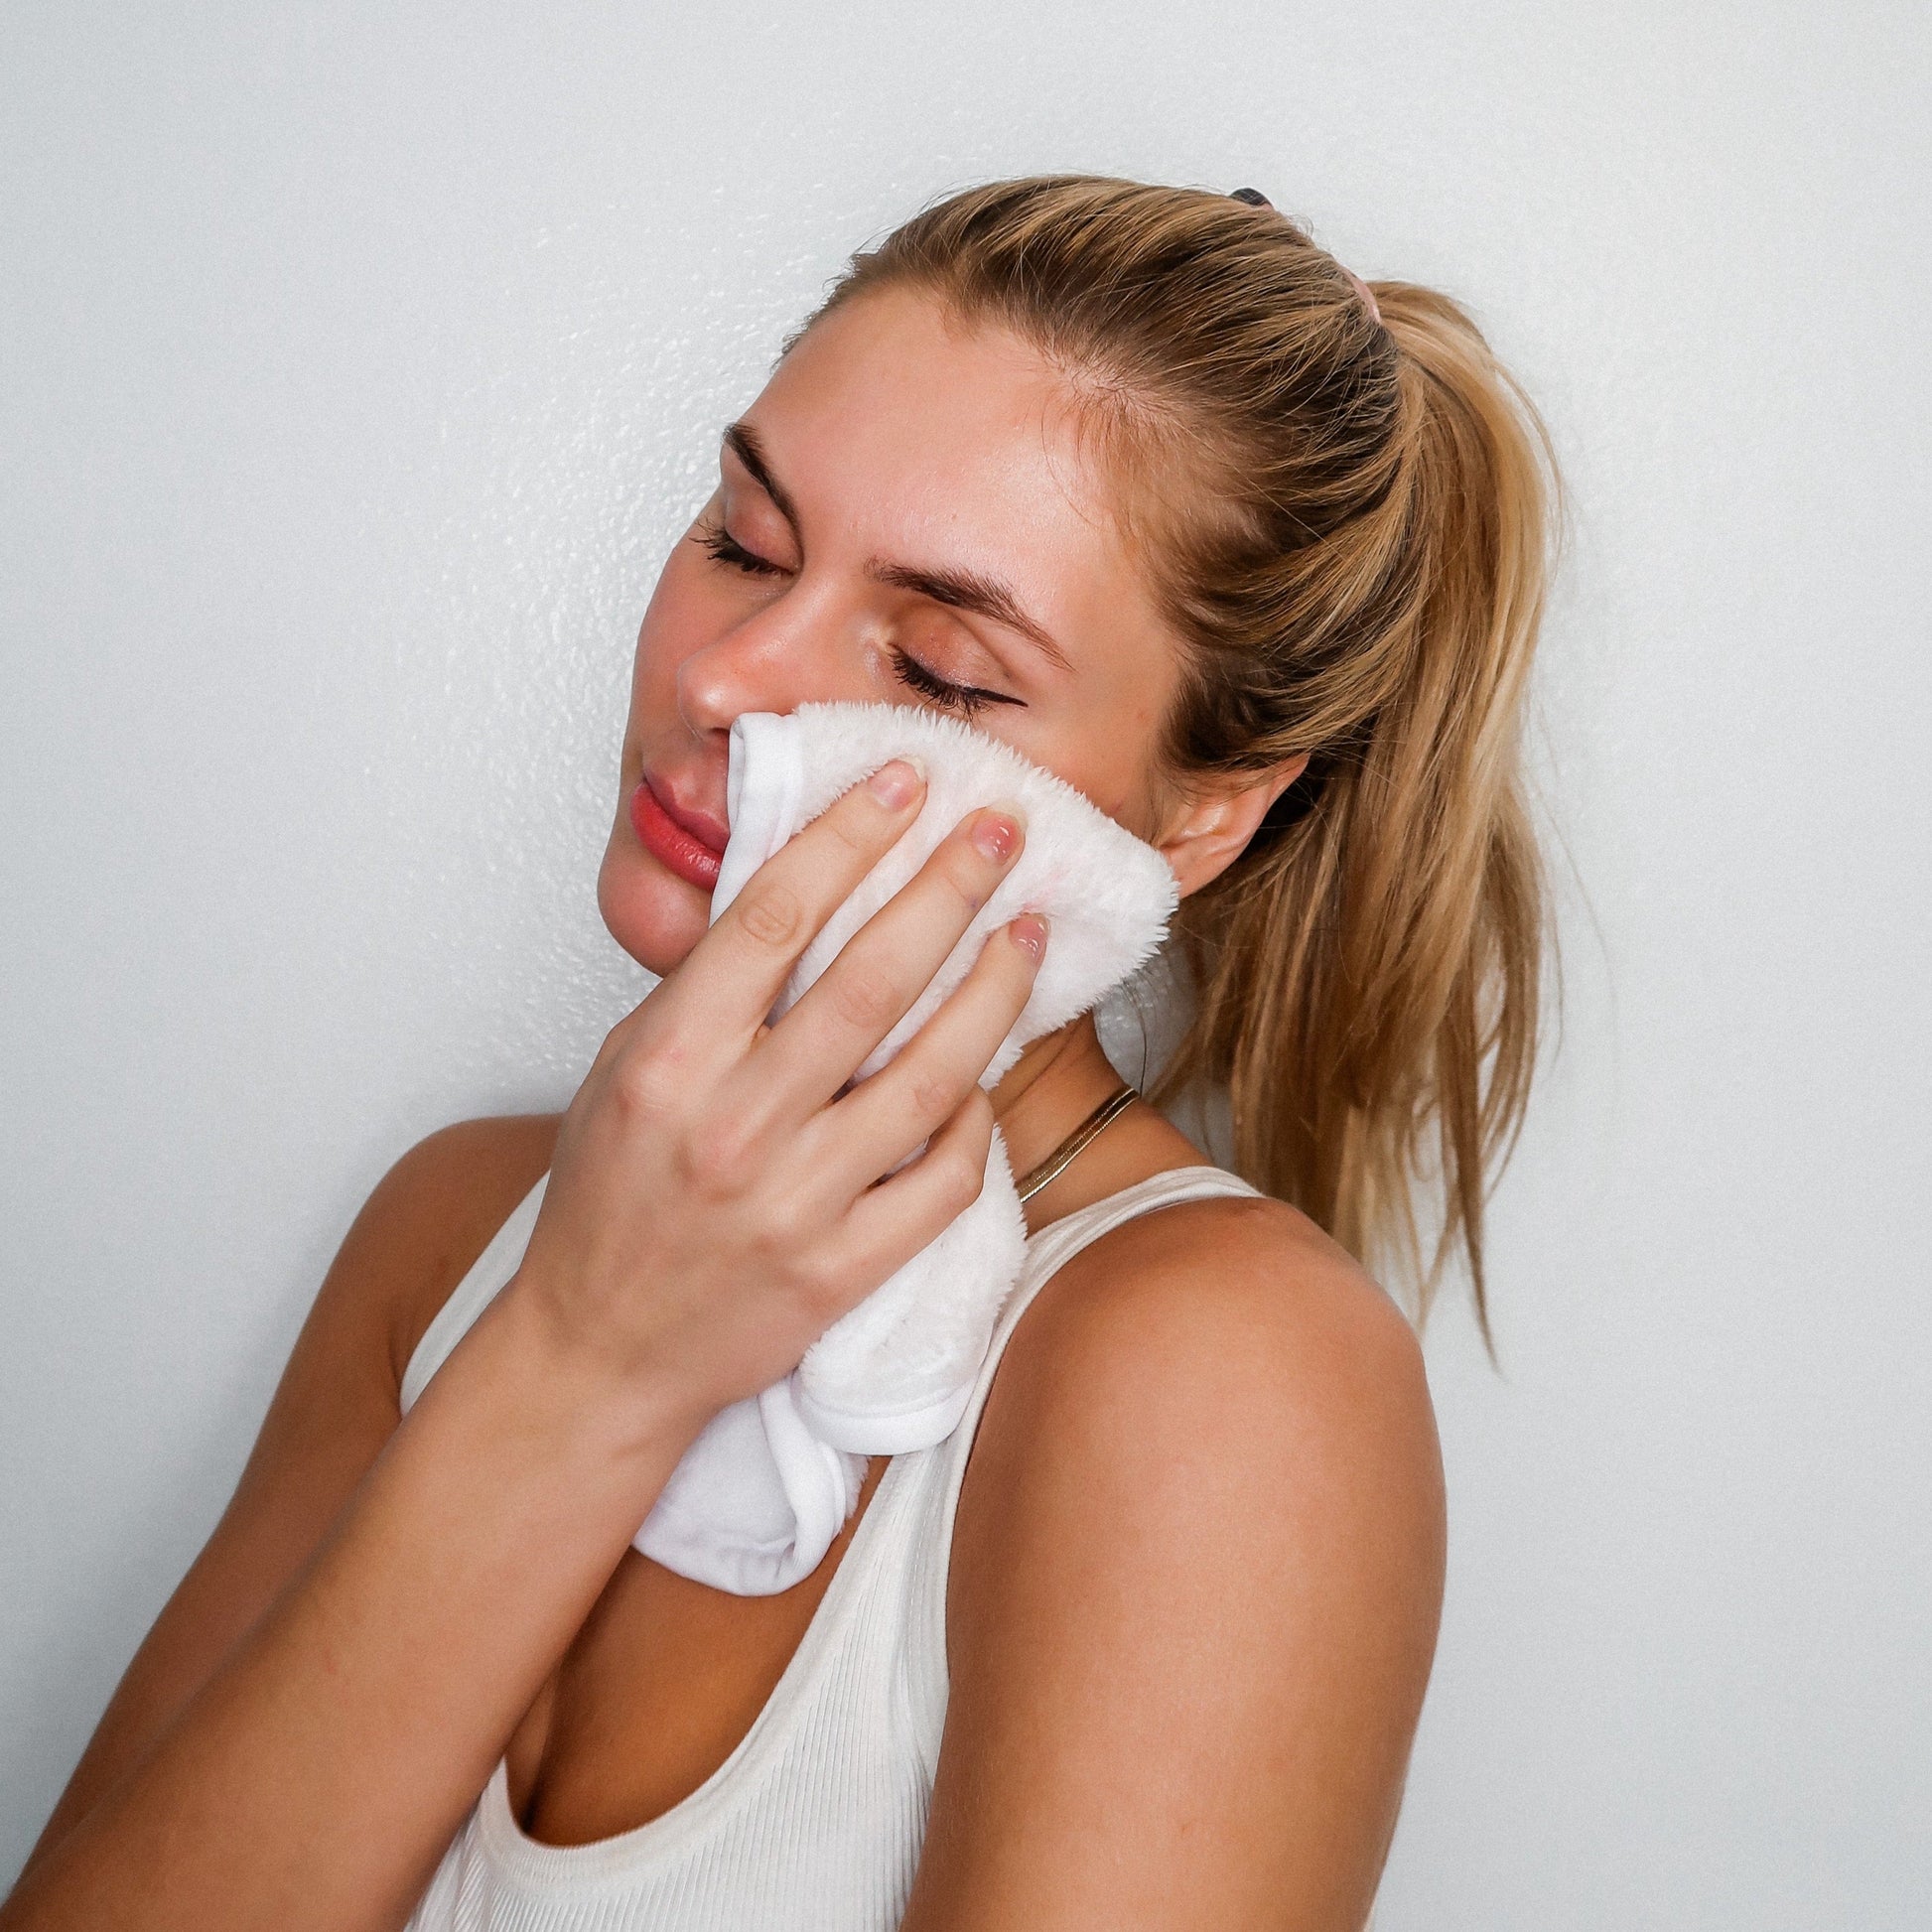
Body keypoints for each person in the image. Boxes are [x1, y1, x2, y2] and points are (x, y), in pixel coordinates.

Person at [5, 174, 1556, 1931]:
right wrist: (580, 1358)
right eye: (744, 541)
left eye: (944, 666)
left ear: (1201, 814)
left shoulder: (1213, 1376)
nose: (730, 678)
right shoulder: (450, 1230)